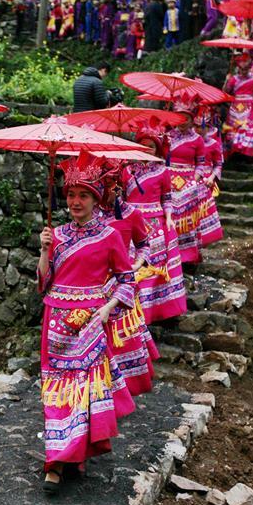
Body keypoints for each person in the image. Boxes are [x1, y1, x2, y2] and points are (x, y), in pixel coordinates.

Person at [37, 150, 136, 493]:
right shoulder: (55, 235)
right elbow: (43, 282)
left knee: (83, 391)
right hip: (56, 322)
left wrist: (108, 308)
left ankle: (68, 457)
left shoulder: (110, 236)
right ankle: (57, 458)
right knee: (57, 391)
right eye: (71, 195)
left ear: (96, 199)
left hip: (92, 322)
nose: (75, 202)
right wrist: (44, 251)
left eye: (83, 195)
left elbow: (127, 280)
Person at [98, 169, 159, 396]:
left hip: (120, 284)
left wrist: (136, 264)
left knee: (123, 339)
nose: (107, 191)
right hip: (94, 284)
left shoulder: (132, 214)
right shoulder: (89, 213)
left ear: (119, 187)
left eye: (111, 186)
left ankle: (127, 387)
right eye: (102, 186)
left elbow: (143, 244)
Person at [123, 132, 187, 322]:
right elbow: (120, 198)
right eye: (143, 145)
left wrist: (169, 217)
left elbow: (166, 198)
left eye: (151, 146)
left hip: (155, 224)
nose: (147, 149)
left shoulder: (162, 171)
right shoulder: (126, 170)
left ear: (157, 149)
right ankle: (132, 309)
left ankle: (151, 311)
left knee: (153, 266)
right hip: (130, 223)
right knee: (131, 263)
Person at [167, 104, 207, 263]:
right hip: (168, 179)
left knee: (186, 219)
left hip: (189, 182)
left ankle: (187, 255)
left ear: (192, 121)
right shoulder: (167, 137)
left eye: (186, 118)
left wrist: (193, 182)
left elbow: (201, 165)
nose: (182, 121)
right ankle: (169, 253)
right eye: (179, 118)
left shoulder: (198, 140)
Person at [193, 106, 224, 248]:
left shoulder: (213, 144)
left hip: (206, 181)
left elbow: (218, 165)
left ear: (208, 128)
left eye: (202, 127)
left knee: (203, 211)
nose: (199, 130)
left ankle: (203, 240)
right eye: (196, 127)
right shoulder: (190, 143)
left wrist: (212, 178)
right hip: (191, 179)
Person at [223, 53, 253, 158]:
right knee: (233, 128)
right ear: (238, 68)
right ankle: (234, 148)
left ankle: (245, 149)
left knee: (247, 127)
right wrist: (227, 80)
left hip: (249, 106)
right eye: (241, 69)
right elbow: (226, 92)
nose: (244, 71)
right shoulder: (233, 79)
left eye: (246, 69)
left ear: (249, 68)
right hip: (235, 107)